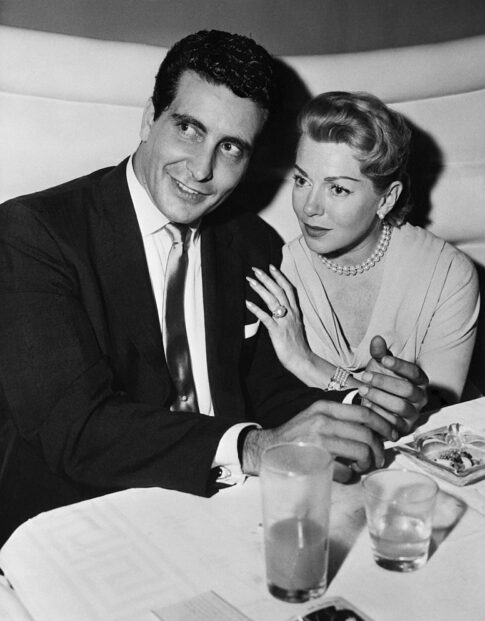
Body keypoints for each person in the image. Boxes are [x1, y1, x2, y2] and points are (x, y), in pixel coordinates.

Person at [0, 34, 426, 544]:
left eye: (230, 148)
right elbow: (74, 428)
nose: (202, 170)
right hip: (79, 517)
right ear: (148, 119)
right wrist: (252, 447)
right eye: (188, 129)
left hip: (222, 513)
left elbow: (264, 386)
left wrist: (358, 407)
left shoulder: (249, 241)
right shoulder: (34, 232)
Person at [247, 91, 479, 408]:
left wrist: (307, 364)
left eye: (338, 189)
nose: (309, 207)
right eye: (302, 181)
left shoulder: (448, 276)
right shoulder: (276, 273)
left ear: (386, 199)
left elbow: (435, 424)